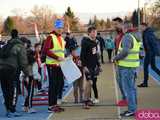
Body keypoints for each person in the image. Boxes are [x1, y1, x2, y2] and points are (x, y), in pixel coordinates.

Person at [113, 21, 141, 117]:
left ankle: (132, 109)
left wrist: (115, 58)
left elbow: (125, 52)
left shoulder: (127, 37)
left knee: (128, 88)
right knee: (132, 88)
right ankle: (133, 107)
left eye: (122, 27)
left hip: (127, 67)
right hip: (132, 66)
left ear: (125, 28)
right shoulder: (135, 36)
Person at [0, 29, 29, 118]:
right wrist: (27, 74)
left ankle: (8, 110)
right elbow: (23, 62)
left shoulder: (5, 45)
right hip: (12, 70)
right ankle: (12, 110)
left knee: (5, 90)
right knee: (13, 91)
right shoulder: (19, 46)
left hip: (1, 69)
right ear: (18, 35)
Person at [41, 18, 65, 113]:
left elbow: (61, 53)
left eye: (61, 27)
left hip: (60, 65)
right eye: (58, 27)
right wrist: (56, 57)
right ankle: (51, 106)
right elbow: (45, 50)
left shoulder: (61, 38)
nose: (60, 29)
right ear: (54, 27)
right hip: (52, 65)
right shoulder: (50, 37)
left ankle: (55, 104)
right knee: (53, 85)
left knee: (59, 85)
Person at [80, 26, 101, 109]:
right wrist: (84, 66)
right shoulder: (85, 42)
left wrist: (98, 65)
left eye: (95, 32)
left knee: (91, 83)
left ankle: (88, 100)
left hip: (93, 67)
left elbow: (95, 55)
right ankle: (85, 102)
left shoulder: (95, 42)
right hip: (87, 66)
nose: (94, 33)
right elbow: (82, 55)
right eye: (93, 32)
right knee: (89, 83)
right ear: (89, 33)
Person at [138, 23, 160, 87]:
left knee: (145, 67)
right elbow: (146, 43)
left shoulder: (148, 33)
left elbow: (154, 43)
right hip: (149, 52)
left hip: (150, 52)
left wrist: (156, 52)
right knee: (153, 67)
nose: (140, 28)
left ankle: (145, 83)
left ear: (144, 27)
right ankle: (145, 82)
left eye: (141, 27)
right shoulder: (146, 33)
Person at [112, 17, 127, 106]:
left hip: (125, 62)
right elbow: (117, 47)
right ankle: (125, 97)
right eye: (114, 24)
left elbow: (126, 50)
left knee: (125, 81)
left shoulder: (125, 34)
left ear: (121, 24)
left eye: (116, 24)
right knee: (120, 80)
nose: (115, 26)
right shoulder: (117, 34)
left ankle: (127, 99)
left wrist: (116, 58)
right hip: (119, 61)